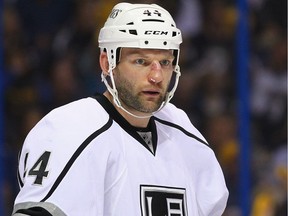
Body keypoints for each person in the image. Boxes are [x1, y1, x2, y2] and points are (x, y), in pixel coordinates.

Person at [12, 2, 228, 215]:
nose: (156, 76)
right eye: (141, 61)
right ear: (107, 64)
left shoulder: (185, 134)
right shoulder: (68, 130)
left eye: (164, 62)